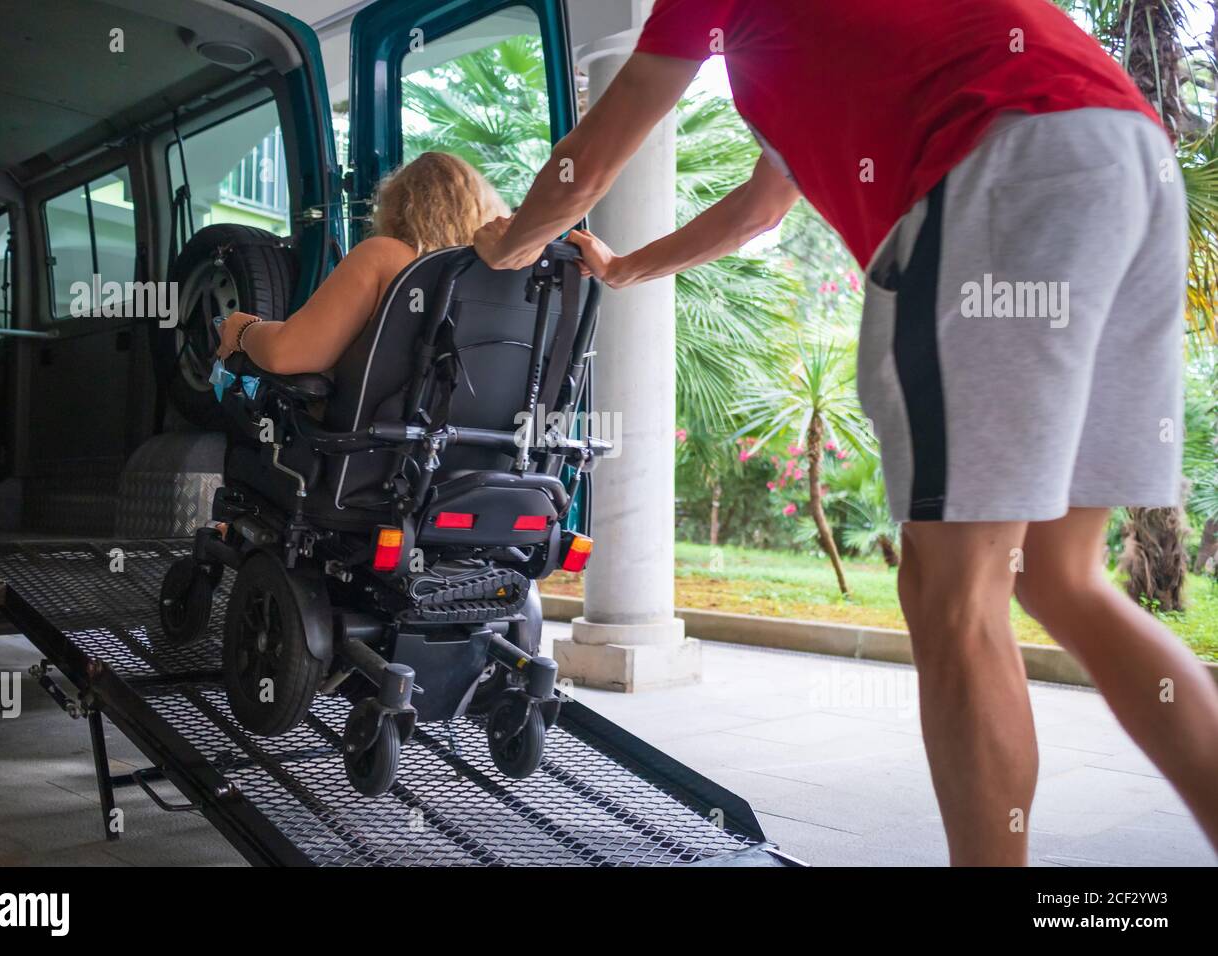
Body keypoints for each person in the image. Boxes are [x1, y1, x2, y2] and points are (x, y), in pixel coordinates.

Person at [473, 0, 1218, 865]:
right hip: (1128, 162)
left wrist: (507, 247)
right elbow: (758, 209)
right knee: (1061, 575)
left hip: (999, 166)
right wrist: (627, 268)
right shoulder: (824, 43)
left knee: (953, 597)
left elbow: (593, 157)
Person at [216, 151, 509, 371]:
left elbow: (286, 354)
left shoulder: (385, 255)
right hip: (490, 447)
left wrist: (244, 329)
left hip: (383, 445)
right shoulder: (503, 280)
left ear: (399, 208)